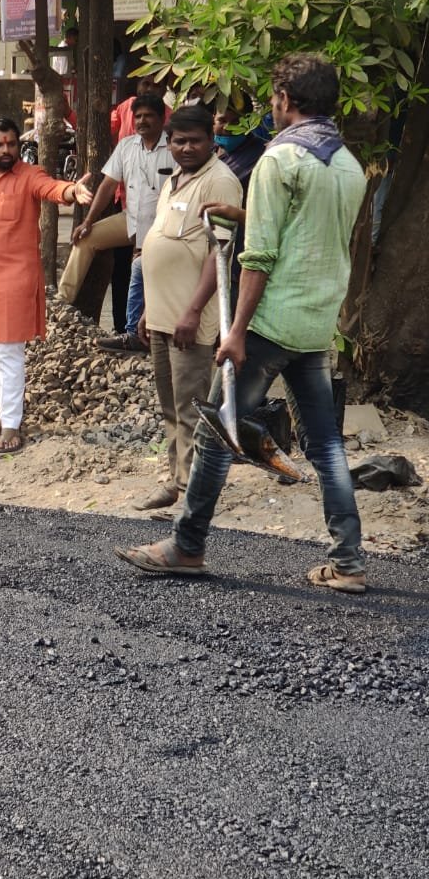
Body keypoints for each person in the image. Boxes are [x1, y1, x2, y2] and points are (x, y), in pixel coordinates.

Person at [116, 54, 369, 594]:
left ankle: (187, 546)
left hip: (269, 324)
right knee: (326, 444)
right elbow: (314, 232)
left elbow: (260, 257)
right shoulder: (346, 163)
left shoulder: (281, 160)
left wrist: (234, 333)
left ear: (286, 100)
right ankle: (348, 562)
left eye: (274, 99)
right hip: (317, 322)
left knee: (215, 433)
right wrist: (245, 215)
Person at [0, 118, 93, 453]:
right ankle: (4, 412)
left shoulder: (29, 175)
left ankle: (11, 425)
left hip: (15, 278)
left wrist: (71, 190)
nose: (6, 150)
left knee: (9, 351)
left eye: (11, 144)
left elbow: (51, 188)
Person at [133, 105, 243, 511]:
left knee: (192, 406)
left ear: (211, 141)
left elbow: (220, 256)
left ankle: (194, 495)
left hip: (190, 320)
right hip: (161, 315)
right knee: (169, 406)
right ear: (170, 142)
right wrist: (147, 308)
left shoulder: (221, 182)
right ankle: (176, 481)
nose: (187, 147)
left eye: (195, 140)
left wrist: (194, 311)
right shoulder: (174, 181)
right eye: (179, 141)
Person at [58, 93, 170, 341]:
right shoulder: (126, 146)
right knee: (86, 239)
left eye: (148, 116)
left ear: (162, 119)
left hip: (162, 227)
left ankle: (140, 333)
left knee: (143, 275)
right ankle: (61, 303)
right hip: (129, 219)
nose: (142, 121)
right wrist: (88, 221)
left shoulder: (174, 147)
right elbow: (108, 185)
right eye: (138, 116)